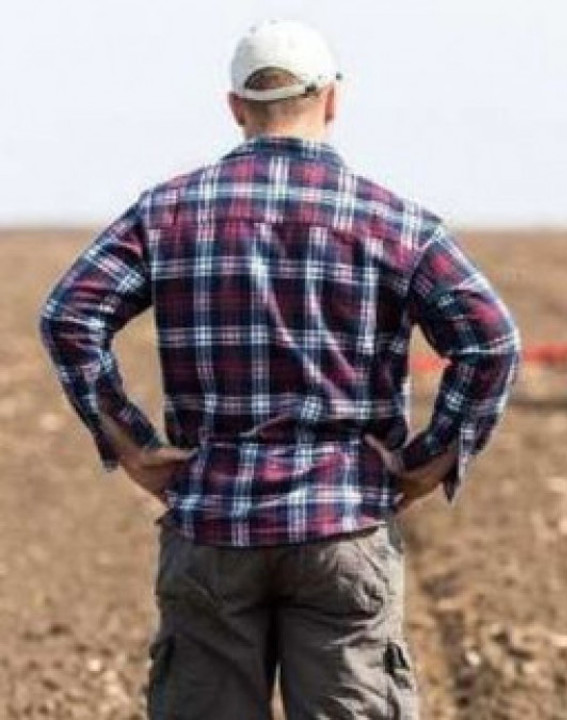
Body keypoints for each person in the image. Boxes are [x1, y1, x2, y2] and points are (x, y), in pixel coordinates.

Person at [38, 19, 519, 719]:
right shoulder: (396, 223)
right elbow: (492, 341)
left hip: (213, 528)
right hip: (344, 525)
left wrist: (132, 444)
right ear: (333, 99)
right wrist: (430, 459)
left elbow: (69, 315)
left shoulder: (167, 213)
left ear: (235, 107)